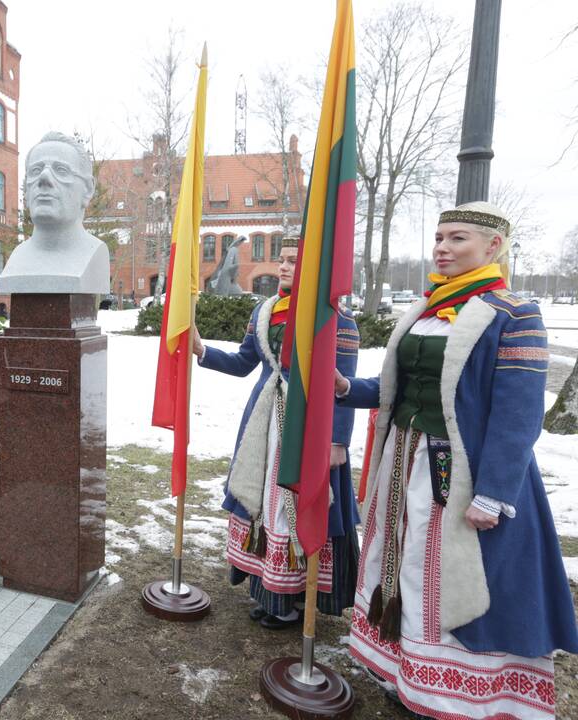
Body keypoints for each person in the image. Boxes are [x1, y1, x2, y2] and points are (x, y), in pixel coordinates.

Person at [335, 202, 578, 720]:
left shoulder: (514, 313)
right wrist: (347, 388)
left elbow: (519, 414)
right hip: (402, 462)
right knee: (401, 565)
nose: (442, 248)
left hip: (465, 472)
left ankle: (454, 693)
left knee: (449, 576)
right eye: (439, 238)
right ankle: (406, 672)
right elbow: (397, 389)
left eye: (457, 239)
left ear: (493, 247)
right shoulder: (424, 310)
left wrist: (494, 492)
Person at [192, 236, 360, 629]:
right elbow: (244, 362)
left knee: (297, 508)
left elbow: (344, 382)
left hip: (310, 429)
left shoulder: (336, 317)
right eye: (281, 260)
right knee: (263, 503)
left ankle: (298, 597)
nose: (283, 267)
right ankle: (270, 592)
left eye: (292, 261)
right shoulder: (265, 311)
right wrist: (203, 351)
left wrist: (338, 440)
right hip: (263, 424)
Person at [0, 131, 110, 295]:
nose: (44, 178)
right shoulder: (17, 259)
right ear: (26, 191)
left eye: (61, 170)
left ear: (88, 189)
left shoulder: (94, 255)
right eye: (35, 170)